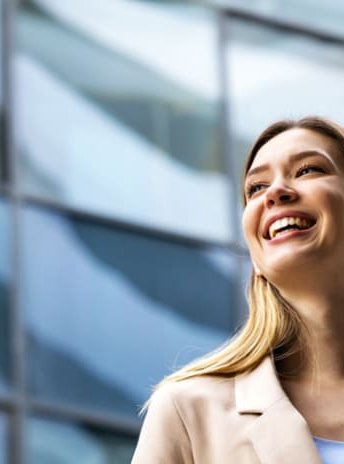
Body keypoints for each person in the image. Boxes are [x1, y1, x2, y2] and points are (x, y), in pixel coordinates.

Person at [132, 116, 344, 464]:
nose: (275, 192)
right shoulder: (188, 411)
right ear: (255, 260)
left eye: (307, 170)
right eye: (256, 189)